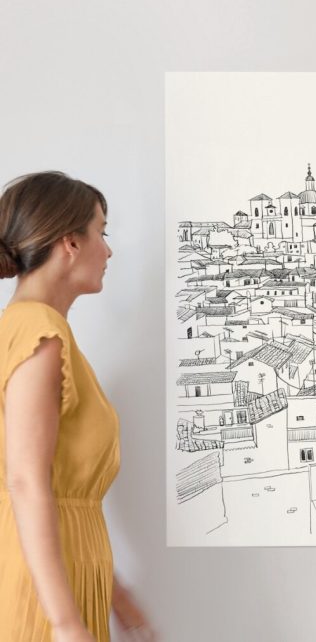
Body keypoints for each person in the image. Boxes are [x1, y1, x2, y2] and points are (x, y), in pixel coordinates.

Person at [0, 172, 155, 641]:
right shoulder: (40, 336)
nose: (107, 250)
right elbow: (27, 484)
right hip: (41, 600)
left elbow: (61, 497)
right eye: (101, 232)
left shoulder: (43, 333)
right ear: (70, 242)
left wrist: (117, 596)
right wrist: (67, 624)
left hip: (61, 579)